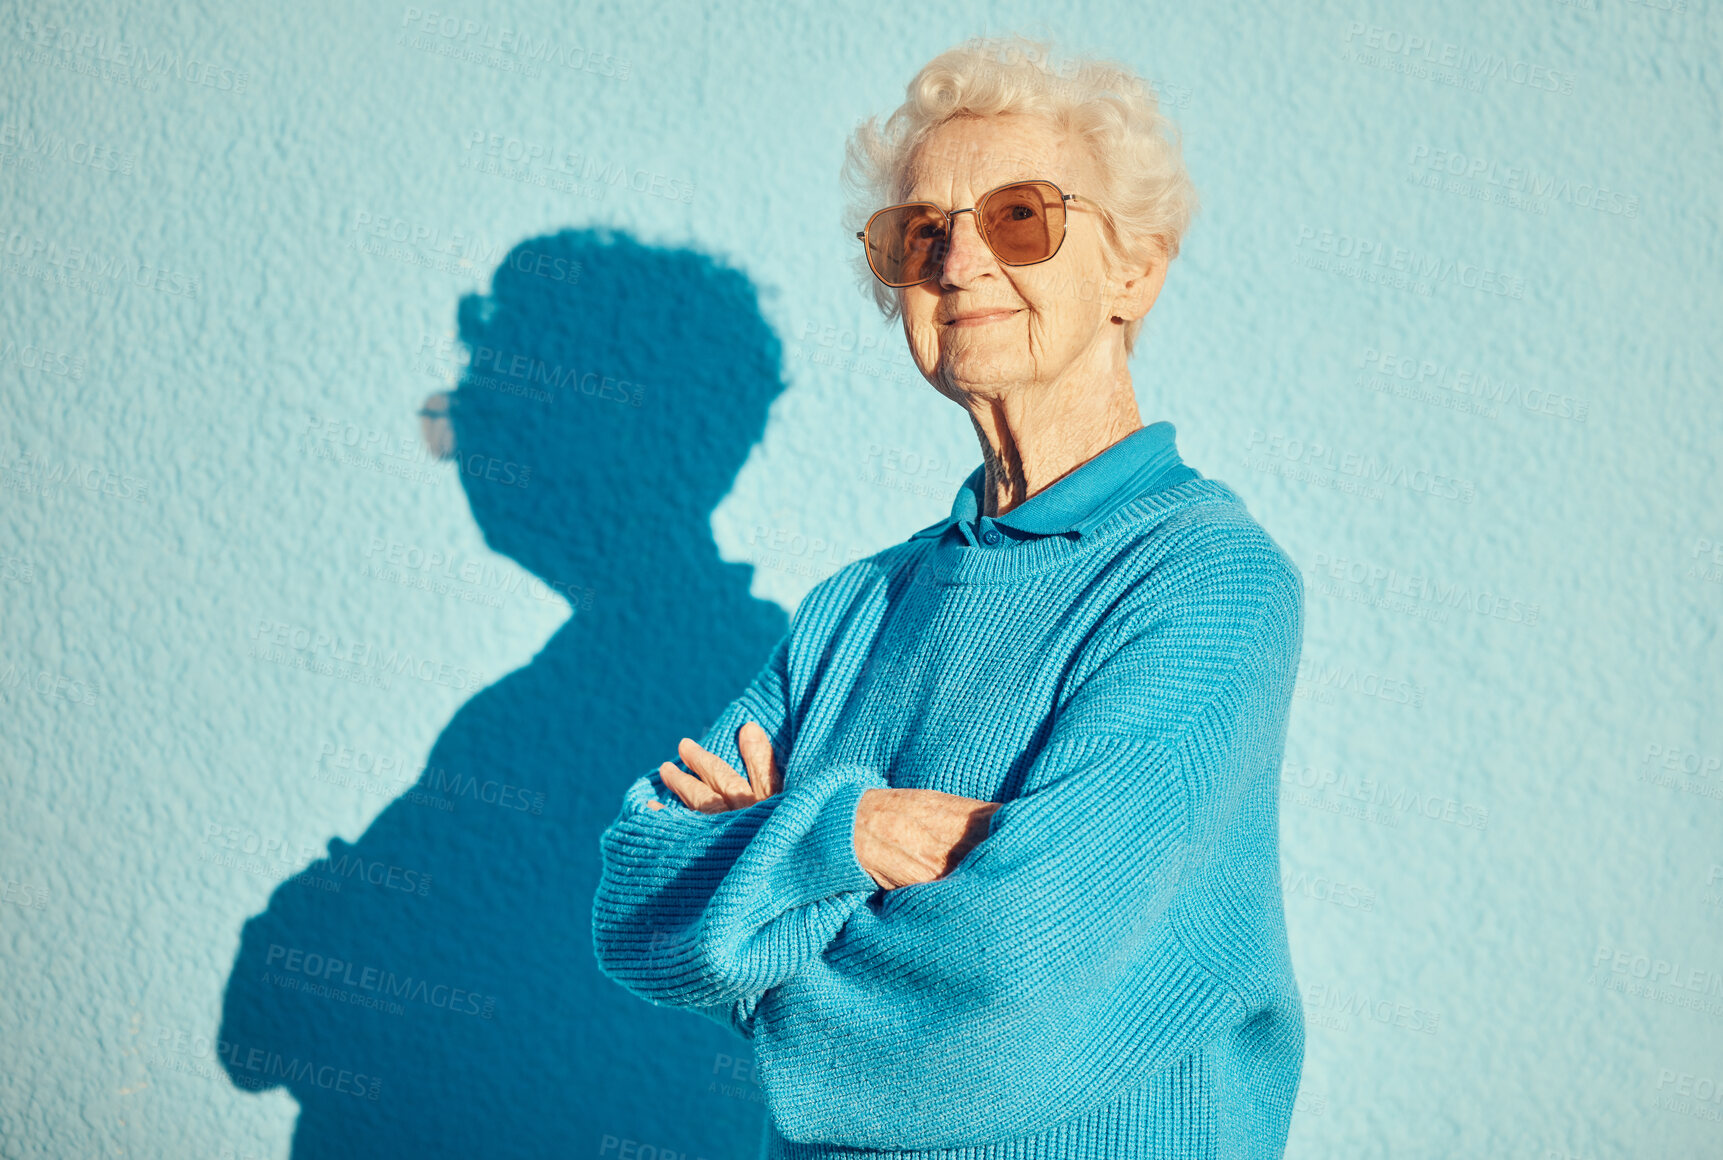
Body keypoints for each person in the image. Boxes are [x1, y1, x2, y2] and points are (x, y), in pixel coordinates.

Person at [593, 35, 1307, 1160]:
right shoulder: (855, 606)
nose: (959, 261)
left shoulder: (1204, 580)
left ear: (1134, 268)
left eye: (1020, 216)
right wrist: (850, 830)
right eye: (921, 231)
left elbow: (1005, 994)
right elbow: (632, 902)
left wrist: (760, 909)